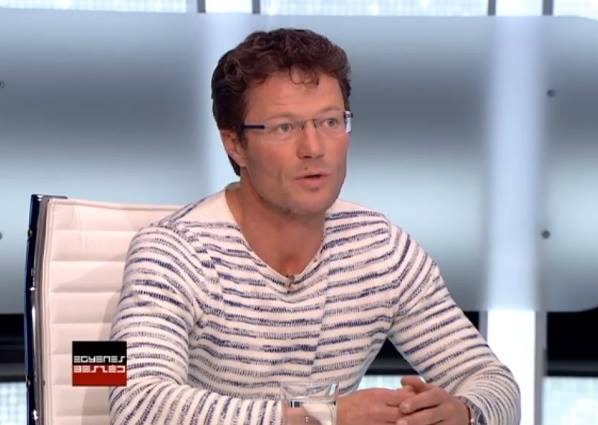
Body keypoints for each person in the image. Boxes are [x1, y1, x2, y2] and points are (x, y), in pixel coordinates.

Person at [109, 28, 520, 425]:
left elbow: (493, 381)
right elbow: (136, 404)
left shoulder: (380, 249)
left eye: (329, 122)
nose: (314, 148)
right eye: (284, 127)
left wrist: (464, 413)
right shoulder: (171, 253)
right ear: (234, 144)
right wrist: (322, 417)